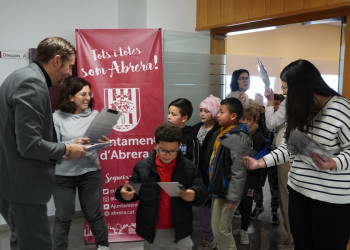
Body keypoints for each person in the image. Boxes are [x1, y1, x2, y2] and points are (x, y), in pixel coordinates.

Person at [243, 59, 350, 250]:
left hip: (330, 199)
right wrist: (260, 163)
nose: (284, 94)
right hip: (298, 191)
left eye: (286, 88)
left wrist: (333, 163)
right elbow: (288, 147)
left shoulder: (341, 109)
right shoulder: (299, 109)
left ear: (302, 86)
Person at [0, 36, 86, 250]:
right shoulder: (33, 83)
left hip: (10, 182)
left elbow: (17, 134)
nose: (69, 73)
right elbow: (29, 145)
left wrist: (64, 145)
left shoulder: (18, 76)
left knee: (21, 241)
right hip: (24, 188)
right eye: (69, 66)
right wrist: (66, 148)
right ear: (57, 60)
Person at [115, 123, 207, 249]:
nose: (168, 155)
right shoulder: (142, 167)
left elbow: (201, 188)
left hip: (180, 228)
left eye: (173, 151)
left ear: (179, 146)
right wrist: (124, 194)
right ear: (155, 145)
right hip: (152, 229)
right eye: (163, 150)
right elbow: (132, 189)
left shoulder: (188, 167)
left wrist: (194, 193)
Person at [52, 77, 110, 250]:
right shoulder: (57, 117)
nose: (87, 98)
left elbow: (97, 145)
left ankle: (103, 246)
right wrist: (72, 143)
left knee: (93, 213)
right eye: (82, 94)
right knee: (63, 216)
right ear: (71, 97)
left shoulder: (95, 115)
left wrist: (103, 144)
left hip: (90, 172)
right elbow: (53, 147)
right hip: (63, 176)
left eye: (89, 94)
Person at [208, 97, 252, 250]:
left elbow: (239, 170)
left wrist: (233, 197)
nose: (218, 115)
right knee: (216, 228)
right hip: (219, 189)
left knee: (222, 229)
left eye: (221, 112)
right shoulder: (223, 132)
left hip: (228, 192)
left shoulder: (237, 136)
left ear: (233, 116)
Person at [233, 105, 269, 245]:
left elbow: (263, 156)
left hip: (252, 176)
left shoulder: (258, 136)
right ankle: (242, 226)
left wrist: (252, 158)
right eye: (243, 119)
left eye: (249, 119)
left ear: (255, 120)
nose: (245, 122)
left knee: (247, 203)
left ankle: (245, 229)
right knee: (240, 202)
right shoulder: (239, 134)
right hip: (240, 174)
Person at [264, 87, 293, 249]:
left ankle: (292, 240)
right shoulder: (310, 100)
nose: (283, 91)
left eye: (284, 86)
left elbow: (270, 124)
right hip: (300, 155)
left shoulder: (290, 102)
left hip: (286, 155)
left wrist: (269, 100)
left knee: (286, 198)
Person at [192, 94, 221, 250]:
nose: (202, 113)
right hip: (198, 176)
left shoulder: (219, 131)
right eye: (201, 110)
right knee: (203, 211)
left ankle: (213, 239)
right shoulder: (196, 128)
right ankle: (208, 238)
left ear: (215, 112)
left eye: (207, 111)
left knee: (213, 212)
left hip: (212, 177)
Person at [251, 94, 285, 225]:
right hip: (262, 155)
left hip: (277, 155)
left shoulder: (284, 120)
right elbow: (260, 131)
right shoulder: (265, 117)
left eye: (278, 104)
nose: (275, 107)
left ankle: (274, 210)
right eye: (273, 104)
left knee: (274, 184)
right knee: (258, 183)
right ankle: (258, 206)